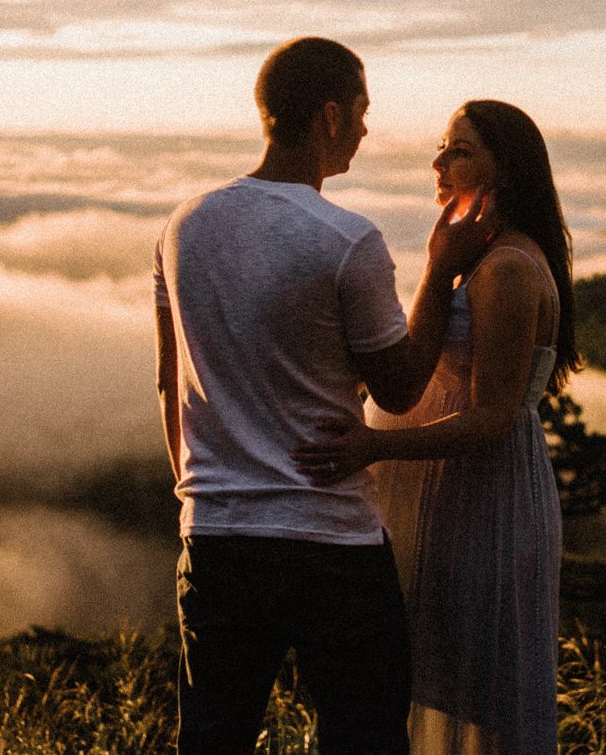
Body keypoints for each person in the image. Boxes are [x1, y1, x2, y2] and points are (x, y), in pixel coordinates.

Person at [154, 37, 497, 755]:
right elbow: (400, 388)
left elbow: (168, 380)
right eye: (364, 111)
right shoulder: (344, 239)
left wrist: (203, 489)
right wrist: (440, 272)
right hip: (327, 539)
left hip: (214, 535)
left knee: (211, 740)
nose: (368, 130)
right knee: (363, 737)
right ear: (332, 116)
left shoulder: (182, 226)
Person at [294, 100, 580, 755]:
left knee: (476, 695)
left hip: (479, 501)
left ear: (504, 172)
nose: (439, 162)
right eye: (444, 146)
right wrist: (440, 260)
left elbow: (493, 419)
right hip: (443, 497)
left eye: (460, 150)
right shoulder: (481, 256)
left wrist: (375, 445)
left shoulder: (508, 267)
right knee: (421, 681)